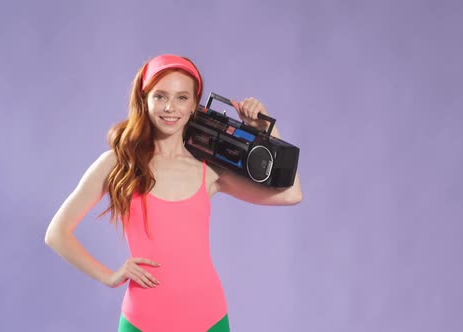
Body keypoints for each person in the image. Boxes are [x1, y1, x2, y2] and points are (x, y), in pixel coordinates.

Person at [44, 54, 302, 332]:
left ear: (194, 105)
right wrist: (109, 276)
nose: (170, 107)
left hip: (209, 318)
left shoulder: (209, 171)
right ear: (145, 99)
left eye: (181, 98)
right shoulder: (117, 163)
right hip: (142, 320)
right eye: (160, 96)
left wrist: (267, 130)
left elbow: (291, 194)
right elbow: (56, 233)